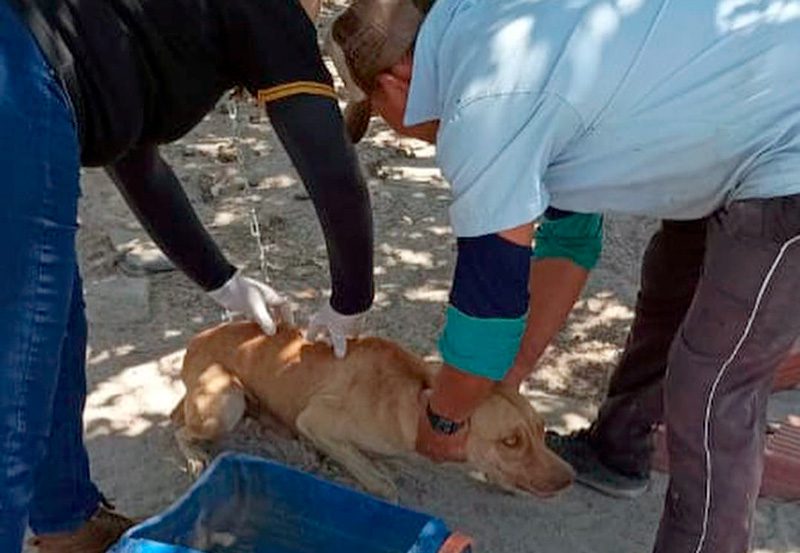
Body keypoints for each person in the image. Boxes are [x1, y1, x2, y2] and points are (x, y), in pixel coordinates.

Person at [327, 0, 800, 551]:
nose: (399, 134)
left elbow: (488, 313)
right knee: (675, 274)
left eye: (376, 111)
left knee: (712, 388)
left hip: (784, 148)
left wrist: (445, 421)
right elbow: (570, 238)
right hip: (742, 104)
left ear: (394, 81)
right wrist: (514, 373)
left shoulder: (484, 101)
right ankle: (619, 451)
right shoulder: (495, 29)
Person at [0, 0, 376, 549]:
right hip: (18, 82)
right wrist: (351, 297)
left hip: (29, 71)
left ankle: (68, 521)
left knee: (52, 322)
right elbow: (330, 163)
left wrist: (222, 280)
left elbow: (133, 156)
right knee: (16, 383)